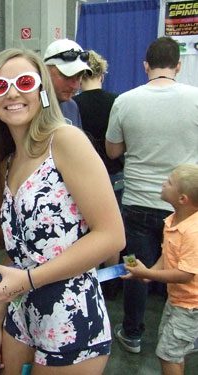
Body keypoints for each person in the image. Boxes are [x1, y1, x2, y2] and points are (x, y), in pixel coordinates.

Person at [0, 48, 124, 374]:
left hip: (70, 318)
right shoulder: (5, 163)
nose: (12, 92)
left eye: (24, 82)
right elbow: (17, 256)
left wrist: (28, 280)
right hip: (19, 314)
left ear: (42, 91)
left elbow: (112, 236)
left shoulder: (66, 141)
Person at [106, 36, 198, 354]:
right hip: (188, 206)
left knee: (137, 268)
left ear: (146, 66)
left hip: (138, 200)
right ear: (179, 65)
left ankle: (132, 333)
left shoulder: (125, 100)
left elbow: (113, 149)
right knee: (191, 269)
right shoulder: (196, 97)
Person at [122, 164, 198, 375]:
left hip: (190, 308)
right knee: (173, 351)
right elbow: (168, 256)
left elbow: (185, 274)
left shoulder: (192, 232)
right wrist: (148, 274)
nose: (163, 183)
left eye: (169, 182)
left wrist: (147, 273)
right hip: (176, 301)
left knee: (168, 355)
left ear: (183, 199)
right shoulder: (172, 221)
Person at [73, 50, 124, 299]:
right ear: (102, 74)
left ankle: (87, 279)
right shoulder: (117, 101)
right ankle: (111, 284)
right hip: (113, 173)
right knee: (112, 227)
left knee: (87, 230)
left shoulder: (74, 105)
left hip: (81, 176)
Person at [44, 39, 92, 127]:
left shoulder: (72, 107)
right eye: (67, 76)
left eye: (79, 76)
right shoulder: (29, 106)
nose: (75, 86)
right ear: (46, 70)